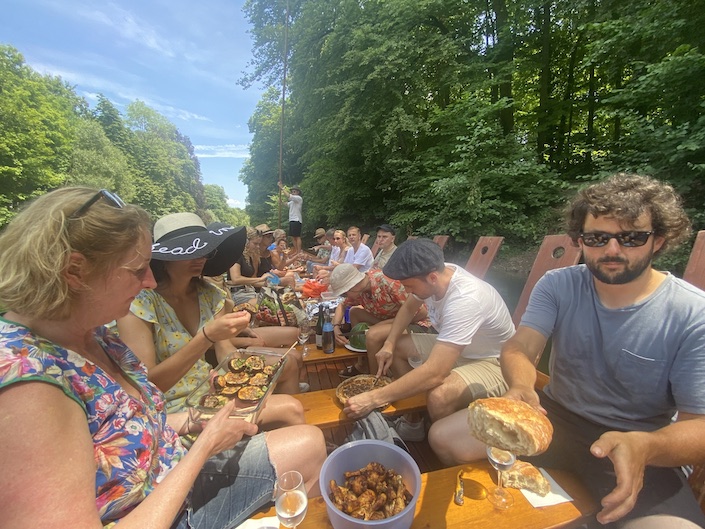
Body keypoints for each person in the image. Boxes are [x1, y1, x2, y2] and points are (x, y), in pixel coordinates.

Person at [0, 187, 326, 528]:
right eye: (137, 269)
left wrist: (198, 423)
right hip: (162, 510)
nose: (150, 281)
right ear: (75, 272)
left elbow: (136, 422)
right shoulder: (29, 386)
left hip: (174, 465)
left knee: (309, 441)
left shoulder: (92, 334)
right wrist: (204, 445)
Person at [432, 174, 705, 528]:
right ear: (580, 240)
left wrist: (648, 447)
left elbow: (698, 426)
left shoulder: (692, 314)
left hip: (637, 443)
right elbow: (521, 345)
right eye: (596, 238)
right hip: (554, 417)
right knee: (443, 437)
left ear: (659, 240)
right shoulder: (559, 285)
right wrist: (521, 388)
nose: (612, 250)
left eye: (632, 237)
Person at [117, 218, 304, 416]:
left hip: (212, 388)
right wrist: (206, 337)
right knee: (291, 409)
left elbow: (224, 351)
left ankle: (266, 437)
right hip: (171, 409)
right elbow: (145, 386)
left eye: (205, 251)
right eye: (190, 251)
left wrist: (253, 369)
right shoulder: (140, 302)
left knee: (287, 363)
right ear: (165, 258)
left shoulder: (210, 294)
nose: (201, 258)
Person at [342, 238, 515, 440]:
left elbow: (435, 373)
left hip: (494, 363)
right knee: (396, 346)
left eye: (408, 286)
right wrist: (388, 344)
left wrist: (373, 398)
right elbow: (408, 308)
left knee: (439, 396)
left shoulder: (465, 300)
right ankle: (414, 420)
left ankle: (443, 441)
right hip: (463, 348)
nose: (406, 291)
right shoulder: (438, 274)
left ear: (432, 278)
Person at [329, 264, 430, 381]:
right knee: (354, 312)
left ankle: (376, 380)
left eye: (344, 293)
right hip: (388, 319)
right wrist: (336, 327)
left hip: (416, 323)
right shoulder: (359, 290)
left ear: (352, 286)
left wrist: (381, 325)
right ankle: (363, 363)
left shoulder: (388, 283)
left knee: (373, 334)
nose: (345, 296)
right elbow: (342, 305)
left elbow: (421, 313)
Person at [278, 182, 303, 255]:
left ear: (298, 192)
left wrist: (282, 188)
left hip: (297, 219)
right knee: (292, 236)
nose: (293, 192)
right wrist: (281, 202)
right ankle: (296, 250)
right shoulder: (292, 201)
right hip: (292, 219)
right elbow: (287, 204)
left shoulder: (298, 198)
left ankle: (299, 251)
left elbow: (288, 196)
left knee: (297, 236)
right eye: (292, 191)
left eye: (294, 191)